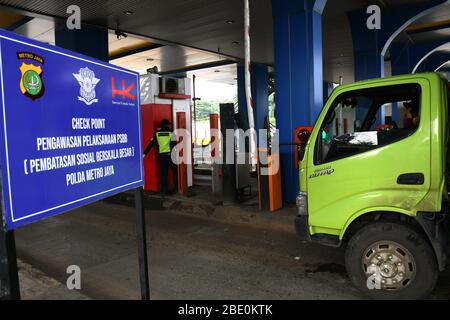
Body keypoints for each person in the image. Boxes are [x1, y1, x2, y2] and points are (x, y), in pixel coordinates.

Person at [143, 119, 178, 195]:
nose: (169, 125)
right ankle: (176, 188)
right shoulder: (171, 132)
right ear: (167, 125)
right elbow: (175, 144)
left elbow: (151, 143)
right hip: (171, 156)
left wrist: (145, 153)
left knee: (164, 174)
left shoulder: (157, 133)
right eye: (168, 124)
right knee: (176, 171)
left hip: (162, 156)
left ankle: (165, 191)